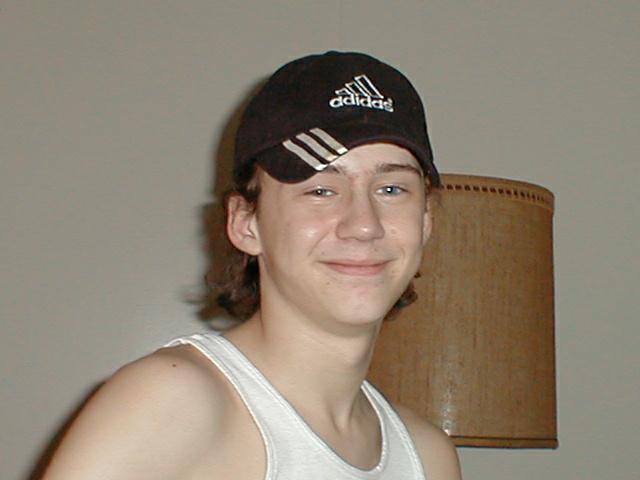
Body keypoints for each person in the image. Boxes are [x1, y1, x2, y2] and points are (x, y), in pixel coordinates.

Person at [43, 51, 462, 479]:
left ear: (426, 221)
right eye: (320, 191)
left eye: (392, 189)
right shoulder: (170, 406)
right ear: (245, 222)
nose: (364, 225)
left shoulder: (427, 457)